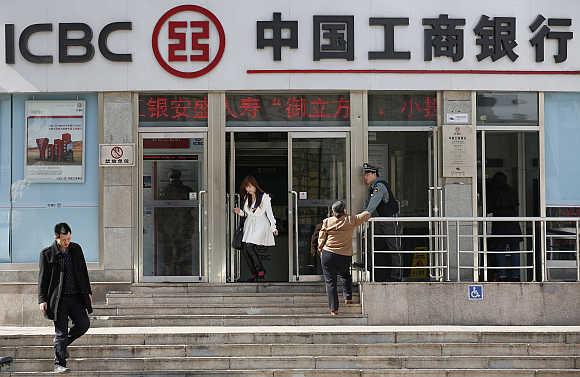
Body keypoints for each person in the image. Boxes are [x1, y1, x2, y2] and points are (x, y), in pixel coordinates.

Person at [38, 223, 92, 373]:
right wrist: (42, 299)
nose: (67, 242)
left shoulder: (76, 249)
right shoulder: (47, 254)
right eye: (64, 240)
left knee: (83, 324)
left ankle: (60, 345)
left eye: (69, 238)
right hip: (58, 300)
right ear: (56, 237)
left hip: (76, 297)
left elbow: (83, 272)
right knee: (61, 332)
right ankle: (59, 364)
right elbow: (42, 280)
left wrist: (87, 293)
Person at [318, 201, 370, 316]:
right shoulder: (350, 220)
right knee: (345, 274)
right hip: (344, 255)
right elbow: (366, 215)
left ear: (333, 211)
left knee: (331, 282)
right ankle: (348, 297)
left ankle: (334, 309)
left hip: (328, 254)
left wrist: (321, 249)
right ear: (344, 210)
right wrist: (368, 208)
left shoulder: (327, 221)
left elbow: (321, 238)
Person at [233, 176, 278, 282]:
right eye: (246, 187)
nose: (247, 189)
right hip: (249, 225)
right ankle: (255, 273)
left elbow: (270, 214)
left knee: (249, 246)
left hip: (261, 224)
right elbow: (247, 214)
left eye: (249, 186)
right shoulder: (246, 198)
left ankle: (260, 271)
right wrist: (239, 212)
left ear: (254, 185)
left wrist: (273, 227)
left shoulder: (264, 197)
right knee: (245, 249)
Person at [362, 162, 401, 282]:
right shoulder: (373, 187)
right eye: (365, 174)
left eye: (367, 174)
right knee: (368, 239)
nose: (365, 177)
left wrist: (363, 215)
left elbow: (372, 205)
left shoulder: (379, 186)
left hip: (388, 220)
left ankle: (397, 274)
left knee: (393, 247)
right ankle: (368, 267)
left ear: (374, 174)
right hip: (381, 221)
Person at [158, 169, 194, 276]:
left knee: (169, 254)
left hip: (168, 227)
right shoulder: (187, 190)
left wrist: (161, 227)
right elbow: (192, 207)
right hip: (184, 226)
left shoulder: (164, 190)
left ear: (170, 178)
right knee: (184, 253)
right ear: (179, 177)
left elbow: (159, 211)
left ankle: (169, 276)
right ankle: (185, 276)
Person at [487, 172, 522, 281]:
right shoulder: (512, 190)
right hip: (513, 223)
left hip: (499, 223)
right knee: (515, 250)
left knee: (500, 249)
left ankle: (502, 275)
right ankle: (516, 275)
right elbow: (516, 206)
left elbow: (489, 207)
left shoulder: (494, 192)